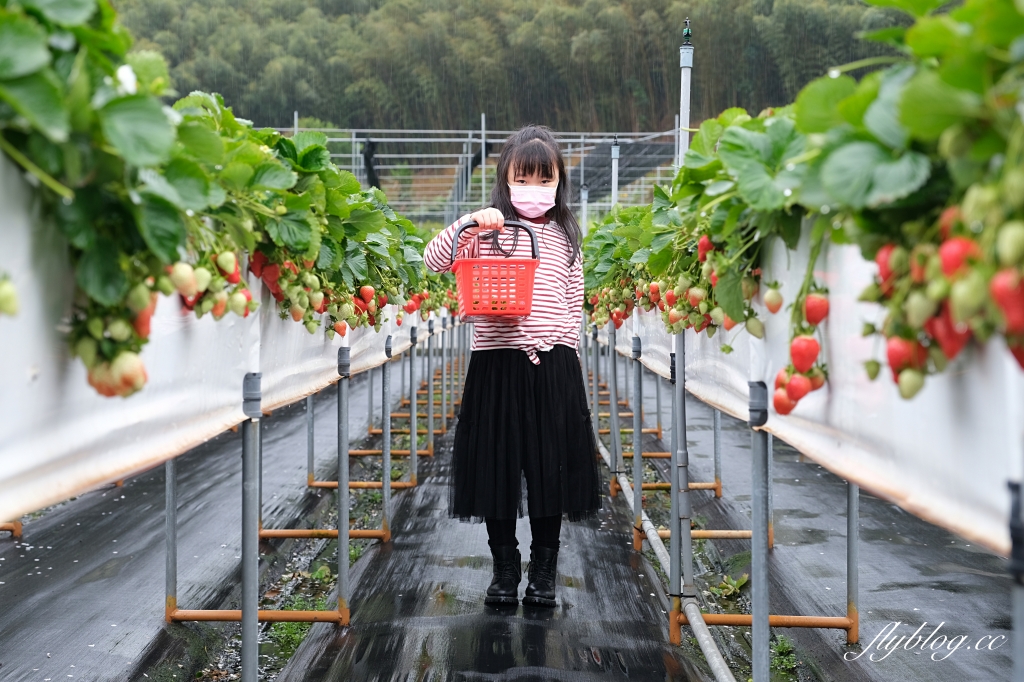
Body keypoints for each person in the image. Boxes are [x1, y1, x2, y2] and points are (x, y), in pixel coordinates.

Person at [423, 125, 601, 608]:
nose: (534, 189)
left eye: (545, 179)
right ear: (505, 179)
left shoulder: (566, 236)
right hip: (496, 363)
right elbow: (433, 259)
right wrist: (469, 223)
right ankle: (505, 568)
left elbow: (573, 304)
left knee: (550, 471)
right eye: (523, 179)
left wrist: (568, 360)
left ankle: (543, 571)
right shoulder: (489, 232)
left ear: (559, 181)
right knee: (496, 467)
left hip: (553, 367)